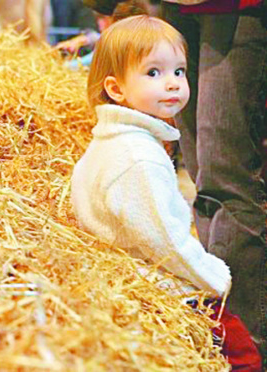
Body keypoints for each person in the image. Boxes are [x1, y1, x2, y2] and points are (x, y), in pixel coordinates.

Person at [70, 15, 262, 370]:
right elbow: (168, 241)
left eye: (179, 71)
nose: (173, 84)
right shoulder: (140, 158)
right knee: (244, 356)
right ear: (116, 89)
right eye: (153, 73)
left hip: (122, 280)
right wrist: (214, 277)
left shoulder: (107, 144)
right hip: (162, 288)